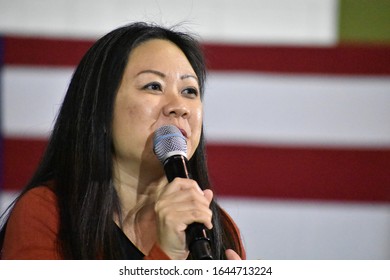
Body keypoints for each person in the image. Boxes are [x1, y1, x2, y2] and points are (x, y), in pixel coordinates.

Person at [0, 22, 245, 260]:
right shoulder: (48, 213)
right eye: (153, 86)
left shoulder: (217, 225)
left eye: (189, 91)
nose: (179, 107)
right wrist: (167, 256)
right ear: (102, 111)